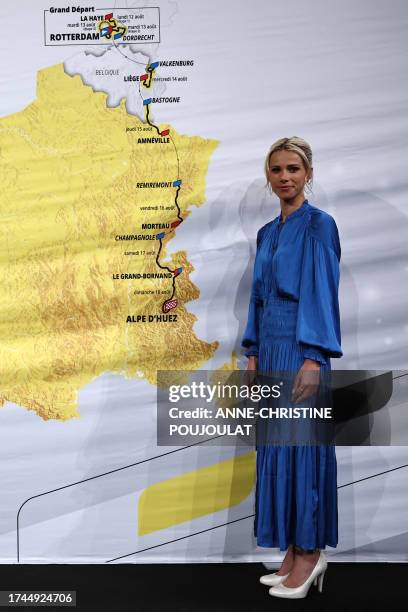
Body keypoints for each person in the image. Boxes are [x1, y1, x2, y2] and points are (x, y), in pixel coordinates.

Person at [242, 136, 342, 599]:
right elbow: (258, 299)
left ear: (308, 174)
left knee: (304, 452)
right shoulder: (267, 233)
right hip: (271, 349)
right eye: (277, 170)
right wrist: (253, 353)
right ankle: (291, 551)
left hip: (303, 350)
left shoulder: (320, 226)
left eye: (294, 169)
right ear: (269, 176)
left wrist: (314, 358)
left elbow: (322, 292)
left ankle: (311, 553)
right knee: (277, 453)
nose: (285, 177)